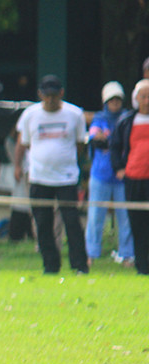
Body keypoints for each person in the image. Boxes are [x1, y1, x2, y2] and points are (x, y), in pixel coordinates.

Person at [14, 75, 88, 274]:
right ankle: (50, 265)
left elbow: (80, 144)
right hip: (39, 177)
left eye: (54, 96)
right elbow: (24, 143)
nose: (51, 100)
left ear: (61, 94)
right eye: (47, 96)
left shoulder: (75, 114)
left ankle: (79, 265)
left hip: (67, 178)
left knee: (72, 222)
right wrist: (18, 166)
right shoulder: (30, 115)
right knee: (43, 224)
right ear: (40, 95)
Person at [86, 81, 133, 267]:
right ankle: (91, 252)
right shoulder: (99, 118)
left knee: (126, 217)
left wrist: (110, 142)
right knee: (96, 216)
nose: (115, 104)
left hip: (123, 175)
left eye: (118, 100)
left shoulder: (127, 119)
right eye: (111, 100)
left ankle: (127, 254)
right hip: (101, 174)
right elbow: (96, 141)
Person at [110, 78, 149, 275]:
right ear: (136, 99)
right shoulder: (126, 121)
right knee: (137, 222)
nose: (147, 100)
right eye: (143, 96)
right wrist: (119, 167)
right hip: (134, 178)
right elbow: (114, 146)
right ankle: (142, 266)